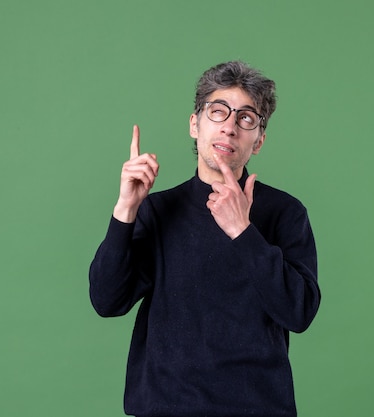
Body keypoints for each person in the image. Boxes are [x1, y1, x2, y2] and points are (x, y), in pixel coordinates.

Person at [89, 61, 321, 417]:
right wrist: (125, 209)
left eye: (246, 118)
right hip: (166, 406)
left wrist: (243, 232)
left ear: (258, 140)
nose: (229, 127)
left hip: (258, 407)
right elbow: (107, 300)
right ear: (195, 125)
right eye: (218, 112)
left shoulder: (285, 213)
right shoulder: (157, 210)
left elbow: (299, 312)